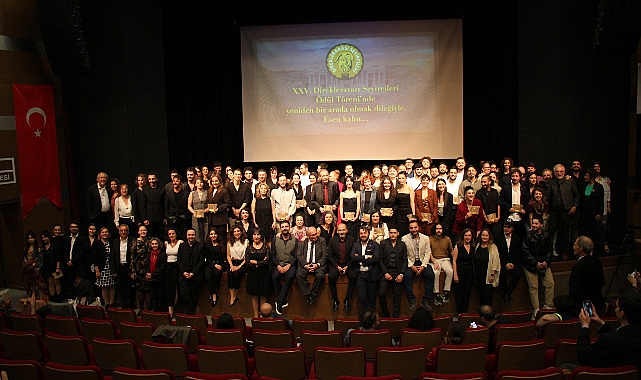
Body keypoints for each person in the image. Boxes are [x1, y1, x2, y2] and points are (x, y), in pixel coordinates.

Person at [573, 289, 641, 369]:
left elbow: (584, 356)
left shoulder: (608, 340)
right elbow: (623, 336)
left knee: (565, 366)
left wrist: (585, 326)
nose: (615, 309)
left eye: (617, 307)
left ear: (622, 314)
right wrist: (600, 322)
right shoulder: (631, 335)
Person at [545, 163, 579, 259]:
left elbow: (577, 195)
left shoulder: (570, 181)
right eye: (557, 171)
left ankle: (564, 251)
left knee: (565, 232)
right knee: (551, 232)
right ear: (554, 172)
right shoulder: (552, 183)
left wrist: (574, 206)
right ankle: (551, 251)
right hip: (555, 211)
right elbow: (547, 196)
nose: (559, 173)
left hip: (567, 211)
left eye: (561, 171)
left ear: (564, 172)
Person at [522, 216, 555, 316]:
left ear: (541, 224)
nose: (534, 225)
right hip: (530, 265)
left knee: (550, 284)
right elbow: (525, 252)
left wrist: (546, 262)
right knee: (534, 287)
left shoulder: (547, 235)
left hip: (544, 263)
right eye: (533, 223)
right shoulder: (528, 236)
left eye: (536, 223)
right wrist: (535, 263)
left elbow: (550, 251)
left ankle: (548, 305)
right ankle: (536, 310)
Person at [402, 219, 435, 311]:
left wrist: (423, 266)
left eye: (415, 227)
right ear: (409, 229)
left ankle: (426, 300)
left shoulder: (425, 238)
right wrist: (411, 266)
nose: (414, 229)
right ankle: (411, 300)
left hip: (422, 262)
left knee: (430, 275)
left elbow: (428, 252)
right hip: (411, 262)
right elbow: (404, 255)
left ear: (418, 228)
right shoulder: (404, 239)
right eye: (411, 228)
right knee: (407, 276)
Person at [569, 235, 606, 316]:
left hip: (584, 308)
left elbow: (574, 291)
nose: (573, 247)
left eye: (575, 245)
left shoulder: (578, 266)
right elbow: (602, 282)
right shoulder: (597, 261)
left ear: (581, 248)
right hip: (598, 303)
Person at [378, 225, 408, 317]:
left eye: (394, 233)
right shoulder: (383, 243)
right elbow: (380, 260)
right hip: (386, 271)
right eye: (391, 233)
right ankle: (385, 314)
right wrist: (385, 273)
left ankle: (396, 316)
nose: (392, 235)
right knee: (381, 294)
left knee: (397, 296)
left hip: (398, 272)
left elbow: (405, 260)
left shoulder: (402, 244)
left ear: (398, 234)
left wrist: (401, 274)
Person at [327, 223, 357, 311]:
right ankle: (335, 299)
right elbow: (330, 256)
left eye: (343, 230)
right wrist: (337, 266)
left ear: (347, 230)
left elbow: (354, 255)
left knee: (353, 276)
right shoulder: (332, 240)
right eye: (340, 230)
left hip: (348, 264)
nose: (341, 232)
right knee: (331, 276)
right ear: (337, 231)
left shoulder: (352, 240)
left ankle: (347, 299)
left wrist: (347, 266)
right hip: (336, 265)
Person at [271, 220, 298, 315]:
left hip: (290, 265)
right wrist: (278, 265)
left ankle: (279, 302)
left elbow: (295, 256)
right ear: (280, 229)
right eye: (282, 227)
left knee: (290, 277)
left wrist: (289, 265)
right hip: (278, 264)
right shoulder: (275, 239)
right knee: (275, 276)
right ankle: (283, 300)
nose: (284, 228)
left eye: (286, 226)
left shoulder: (295, 240)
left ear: (290, 228)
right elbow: (273, 255)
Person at [296, 226, 328, 305]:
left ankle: (313, 294)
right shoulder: (302, 242)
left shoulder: (322, 241)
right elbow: (299, 255)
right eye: (312, 235)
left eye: (316, 234)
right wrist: (305, 265)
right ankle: (307, 294)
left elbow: (325, 255)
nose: (315, 236)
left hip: (317, 264)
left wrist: (317, 265)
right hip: (306, 264)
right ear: (308, 236)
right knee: (299, 275)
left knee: (320, 276)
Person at [352, 225, 381, 310]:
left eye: (365, 233)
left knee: (372, 298)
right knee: (362, 297)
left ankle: (371, 318)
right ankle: (371, 313)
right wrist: (366, 257)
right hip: (360, 275)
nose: (363, 235)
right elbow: (353, 257)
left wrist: (361, 260)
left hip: (372, 274)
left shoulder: (374, 244)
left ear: (368, 233)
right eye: (361, 233)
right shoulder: (355, 245)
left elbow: (375, 258)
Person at [177, 228, 205, 314]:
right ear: (186, 236)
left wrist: (193, 273)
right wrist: (183, 272)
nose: (191, 237)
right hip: (184, 275)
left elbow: (201, 261)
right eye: (189, 235)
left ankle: (191, 314)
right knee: (185, 295)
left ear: (195, 236)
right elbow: (179, 260)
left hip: (195, 276)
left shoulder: (200, 246)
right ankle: (189, 313)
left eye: (192, 235)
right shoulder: (182, 246)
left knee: (194, 296)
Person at [246, 229, 272, 318]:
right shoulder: (249, 248)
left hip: (264, 273)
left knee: (263, 294)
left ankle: (263, 314)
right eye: (254, 234)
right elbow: (248, 262)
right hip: (253, 274)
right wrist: (260, 262)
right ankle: (256, 315)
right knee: (254, 295)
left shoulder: (266, 247)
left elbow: (267, 261)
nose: (256, 237)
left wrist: (256, 263)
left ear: (261, 236)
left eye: (258, 234)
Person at [578, 168, 605, 255]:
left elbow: (601, 202)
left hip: (593, 214)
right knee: (583, 232)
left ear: (592, 177)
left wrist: (599, 213)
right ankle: (583, 251)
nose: (585, 177)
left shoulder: (599, 187)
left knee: (593, 233)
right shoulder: (582, 185)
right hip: (583, 214)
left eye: (587, 175)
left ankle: (592, 251)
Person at [495, 220, 522, 305]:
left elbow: (518, 253)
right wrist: (506, 263)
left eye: (508, 227)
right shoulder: (498, 238)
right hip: (502, 262)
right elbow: (498, 253)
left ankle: (507, 293)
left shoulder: (517, 238)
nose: (506, 229)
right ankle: (507, 293)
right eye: (505, 227)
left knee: (518, 273)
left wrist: (512, 263)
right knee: (501, 274)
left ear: (512, 228)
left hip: (513, 262)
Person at [473, 228, 501, 307]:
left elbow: (496, 262)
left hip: (488, 276)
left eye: (486, 235)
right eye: (483, 235)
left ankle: (487, 314)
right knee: (481, 296)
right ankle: (482, 314)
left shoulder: (493, 247)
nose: (484, 237)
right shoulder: (478, 245)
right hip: (479, 276)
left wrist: (492, 274)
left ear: (489, 237)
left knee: (487, 297)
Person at [452, 228, 476, 315]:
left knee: (467, 293)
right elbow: (454, 261)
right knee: (459, 294)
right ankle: (459, 313)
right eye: (466, 235)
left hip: (469, 271)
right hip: (460, 270)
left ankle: (465, 313)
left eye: (469, 235)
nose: (467, 237)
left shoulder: (474, 246)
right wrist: (455, 274)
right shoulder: (458, 246)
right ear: (463, 236)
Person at [430, 223, 454, 306]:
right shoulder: (430, 239)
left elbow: (451, 251)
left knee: (450, 271)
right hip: (434, 259)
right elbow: (429, 253)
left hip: (445, 259)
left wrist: (454, 261)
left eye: (440, 228)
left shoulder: (447, 239)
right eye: (437, 229)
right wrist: (434, 262)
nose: (438, 230)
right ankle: (436, 294)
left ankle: (446, 292)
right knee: (436, 272)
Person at [93, 226, 117, 307]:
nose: (105, 234)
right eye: (103, 232)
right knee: (104, 286)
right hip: (102, 268)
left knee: (112, 285)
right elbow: (94, 258)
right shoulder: (97, 243)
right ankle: (107, 303)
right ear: (100, 234)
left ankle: (112, 303)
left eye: (106, 232)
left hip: (111, 267)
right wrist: (97, 270)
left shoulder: (111, 242)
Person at [22, 231, 48, 303]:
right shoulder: (26, 248)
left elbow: (40, 259)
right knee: (29, 285)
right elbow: (25, 259)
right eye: (29, 238)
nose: (30, 240)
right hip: (28, 269)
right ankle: (30, 299)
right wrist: (27, 264)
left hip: (36, 270)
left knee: (37, 285)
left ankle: (39, 300)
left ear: (35, 238)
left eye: (32, 238)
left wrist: (35, 265)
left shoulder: (39, 248)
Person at [114, 224, 136, 309]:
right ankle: (123, 306)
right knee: (121, 288)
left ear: (128, 231)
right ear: (119, 232)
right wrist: (114, 271)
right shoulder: (115, 241)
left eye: (125, 230)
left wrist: (133, 270)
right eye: (121, 230)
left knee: (129, 288)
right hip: (119, 267)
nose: (123, 232)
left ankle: (130, 307)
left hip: (129, 267)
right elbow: (113, 256)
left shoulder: (133, 240)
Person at [226, 224, 248, 308]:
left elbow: (247, 257)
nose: (236, 233)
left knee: (236, 275)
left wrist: (239, 266)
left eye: (238, 231)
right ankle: (232, 296)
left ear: (241, 232)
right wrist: (231, 265)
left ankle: (235, 295)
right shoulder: (229, 242)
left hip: (242, 263)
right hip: (232, 263)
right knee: (230, 274)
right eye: (234, 231)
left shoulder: (246, 242)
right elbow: (228, 255)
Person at [141, 172, 166, 240]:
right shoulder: (145, 190)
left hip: (160, 219)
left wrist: (165, 217)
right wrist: (145, 218)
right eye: (149, 179)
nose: (151, 181)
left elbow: (164, 204)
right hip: (149, 220)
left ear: (156, 179)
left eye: (153, 179)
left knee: (160, 238)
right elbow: (143, 206)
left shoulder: (162, 189)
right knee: (150, 239)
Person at [165, 174, 190, 241]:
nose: (175, 183)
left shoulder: (186, 193)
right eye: (174, 181)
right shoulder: (169, 193)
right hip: (172, 219)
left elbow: (188, 206)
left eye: (177, 181)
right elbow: (166, 207)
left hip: (183, 220)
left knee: (182, 238)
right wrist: (167, 218)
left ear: (181, 183)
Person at [204, 228, 224, 309]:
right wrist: (213, 264)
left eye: (215, 234)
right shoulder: (206, 245)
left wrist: (219, 265)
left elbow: (223, 257)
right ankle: (213, 294)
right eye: (211, 234)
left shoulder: (221, 244)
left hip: (219, 263)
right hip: (209, 264)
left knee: (216, 274)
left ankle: (214, 293)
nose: (213, 236)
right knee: (208, 276)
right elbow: (206, 258)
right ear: (209, 236)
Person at [40, 230, 63, 303]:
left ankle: (59, 298)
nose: (44, 239)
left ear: (48, 237)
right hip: (46, 268)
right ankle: (52, 299)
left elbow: (58, 257)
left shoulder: (55, 245)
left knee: (57, 283)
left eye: (45, 237)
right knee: (50, 283)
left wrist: (58, 268)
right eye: (42, 238)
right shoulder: (43, 247)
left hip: (55, 267)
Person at [164, 228, 182, 317]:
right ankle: (170, 309)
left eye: (173, 233)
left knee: (176, 288)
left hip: (177, 266)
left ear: (176, 234)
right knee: (168, 288)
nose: (172, 235)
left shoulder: (181, 242)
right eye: (170, 234)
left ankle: (175, 307)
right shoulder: (166, 243)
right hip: (168, 267)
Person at [187, 177, 209, 244]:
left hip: (205, 216)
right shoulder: (192, 193)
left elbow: (210, 204)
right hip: (195, 216)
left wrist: (207, 209)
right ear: (195, 184)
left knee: (206, 234)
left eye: (201, 182)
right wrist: (194, 212)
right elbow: (189, 206)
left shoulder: (207, 192)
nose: (200, 184)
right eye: (198, 183)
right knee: (197, 234)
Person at [395, 171, 416, 237]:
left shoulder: (410, 188)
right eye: (399, 178)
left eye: (402, 178)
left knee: (408, 232)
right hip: (399, 214)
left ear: (406, 178)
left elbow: (412, 202)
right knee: (400, 231)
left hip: (408, 213)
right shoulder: (398, 190)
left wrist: (413, 215)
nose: (401, 180)